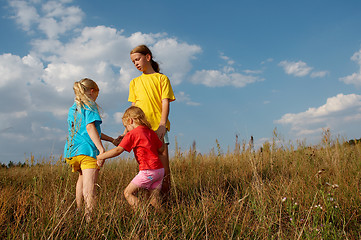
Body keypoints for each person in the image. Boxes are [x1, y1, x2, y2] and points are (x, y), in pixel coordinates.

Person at [64, 78, 117, 220]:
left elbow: (90, 131)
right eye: (97, 94)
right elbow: (90, 127)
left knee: (81, 179)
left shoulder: (73, 108)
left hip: (72, 152)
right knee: (90, 189)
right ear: (92, 91)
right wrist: (101, 150)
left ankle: (79, 211)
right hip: (87, 150)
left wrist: (111, 140)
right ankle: (89, 220)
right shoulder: (90, 104)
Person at [126, 44, 176, 197]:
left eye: (138, 59)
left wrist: (162, 125)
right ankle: (152, 203)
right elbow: (133, 109)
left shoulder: (162, 78)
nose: (136, 63)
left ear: (147, 57)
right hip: (141, 132)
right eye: (133, 62)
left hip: (158, 129)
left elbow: (165, 102)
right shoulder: (134, 82)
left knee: (164, 169)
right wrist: (127, 130)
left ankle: (167, 200)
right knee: (146, 170)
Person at [97, 106, 165, 210]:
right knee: (154, 198)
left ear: (131, 121)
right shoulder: (150, 132)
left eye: (126, 126)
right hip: (159, 171)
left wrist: (100, 156)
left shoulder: (133, 133)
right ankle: (162, 218)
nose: (127, 130)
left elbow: (118, 150)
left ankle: (144, 214)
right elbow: (161, 149)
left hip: (147, 171)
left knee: (128, 193)